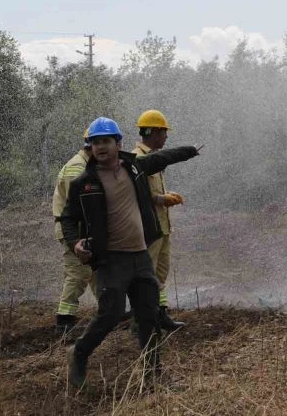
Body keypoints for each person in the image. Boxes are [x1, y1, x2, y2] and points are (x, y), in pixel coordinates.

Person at [61, 117, 201, 388]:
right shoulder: (84, 183)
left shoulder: (134, 167)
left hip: (140, 256)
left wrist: (191, 151)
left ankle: (153, 376)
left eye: (106, 141)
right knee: (111, 314)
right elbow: (67, 217)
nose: (100, 147)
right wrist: (74, 242)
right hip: (111, 260)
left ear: (118, 143)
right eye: (95, 142)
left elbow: (164, 158)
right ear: (90, 146)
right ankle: (78, 352)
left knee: (149, 316)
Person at [132, 110, 184, 331]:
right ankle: (141, 320)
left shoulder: (154, 158)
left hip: (162, 226)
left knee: (160, 273)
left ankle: (160, 315)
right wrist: (162, 199)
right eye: (164, 132)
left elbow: (150, 190)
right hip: (149, 228)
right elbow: (136, 195)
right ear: (153, 132)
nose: (166, 137)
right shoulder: (137, 159)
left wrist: (165, 196)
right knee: (147, 274)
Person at [52, 128, 96, 335]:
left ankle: (110, 310)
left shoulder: (85, 164)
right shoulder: (76, 168)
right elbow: (75, 208)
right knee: (78, 274)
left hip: (83, 230)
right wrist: (75, 238)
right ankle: (65, 319)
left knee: (97, 272)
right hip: (74, 232)